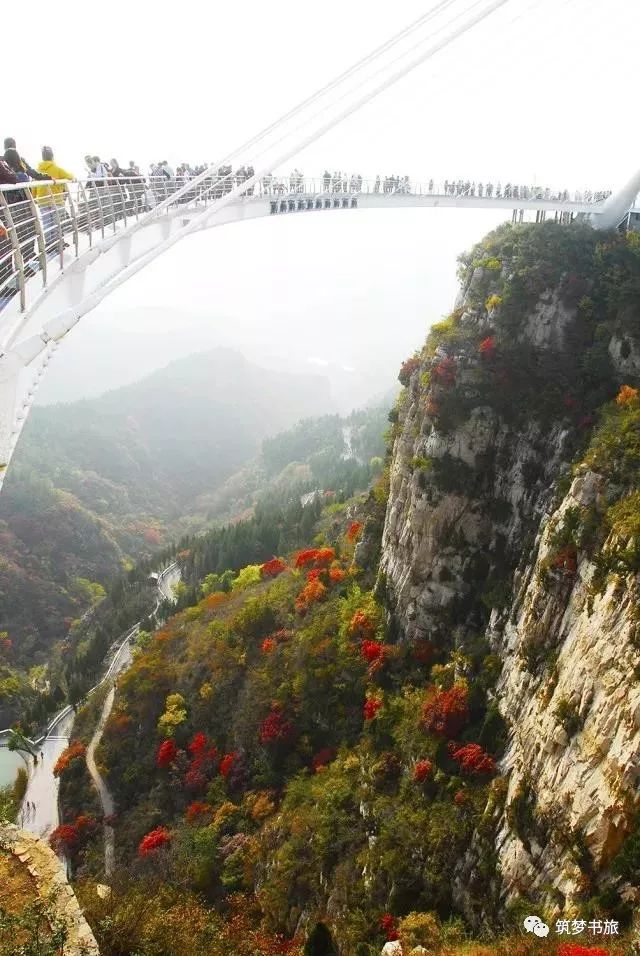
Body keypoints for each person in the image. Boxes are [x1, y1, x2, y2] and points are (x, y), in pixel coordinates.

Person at [3, 148, 39, 275]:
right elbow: (21, 178)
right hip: (19, 208)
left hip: (7, 209)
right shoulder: (17, 171)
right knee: (23, 236)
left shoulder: (5, 166)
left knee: (9, 241)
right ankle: (23, 267)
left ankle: (13, 271)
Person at [34, 146, 74, 256]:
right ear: (52, 156)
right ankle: (59, 244)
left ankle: (50, 245)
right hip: (56, 200)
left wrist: (34, 197)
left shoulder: (38, 170)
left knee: (47, 224)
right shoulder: (57, 169)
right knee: (58, 223)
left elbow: (33, 186)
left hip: (42, 200)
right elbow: (70, 176)